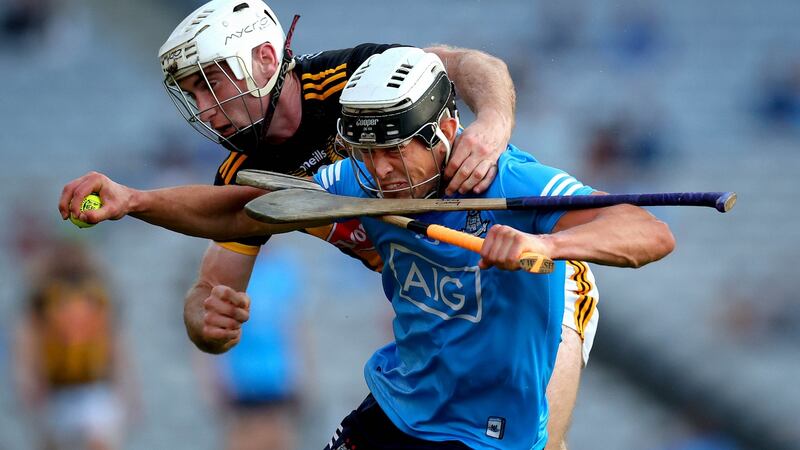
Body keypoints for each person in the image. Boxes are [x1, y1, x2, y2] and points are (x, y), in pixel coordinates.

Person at [58, 0, 595, 447]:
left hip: (533, 270)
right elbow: (213, 284)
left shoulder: (354, 76)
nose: (204, 108)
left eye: (209, 84)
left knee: (538, 440)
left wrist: (495, 124)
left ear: (265, 59)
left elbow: (470, 65)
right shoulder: (244, 172)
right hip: (441, 299)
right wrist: (206, 318)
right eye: (192, 94)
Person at [14, 240, 137, 450]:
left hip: (95, 385)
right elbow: (28, 340)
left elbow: (115, 340)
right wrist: (28, 379)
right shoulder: (42, 294)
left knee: (99, 441)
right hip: (56, 388)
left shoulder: (98, 292)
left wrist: (128, 387)